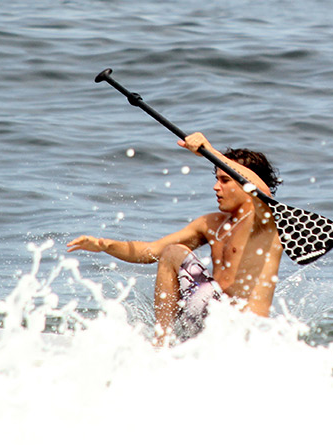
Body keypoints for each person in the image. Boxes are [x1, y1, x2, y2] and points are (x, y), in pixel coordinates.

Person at [67, 132, 283, 345]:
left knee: (174, 253)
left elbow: (261, 192)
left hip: (248, 334)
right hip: (215, 323)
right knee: (172, 253)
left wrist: (210, 152)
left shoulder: (265, 220)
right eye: (216, 179)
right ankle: (162, 345)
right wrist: (105, 245)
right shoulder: (211, 224)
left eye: (225, 180)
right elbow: (151, 251)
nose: (216, 187)